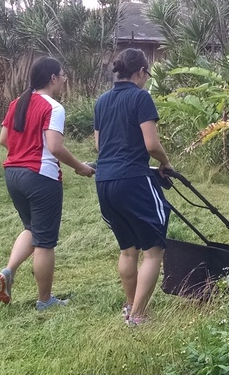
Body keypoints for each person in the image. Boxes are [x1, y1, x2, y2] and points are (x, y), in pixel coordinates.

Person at [0, 56, 95, 311]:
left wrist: (24, 150)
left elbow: (4, 139)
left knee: (32, 228)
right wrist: (80, 167)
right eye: (63, 75)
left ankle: (8, 271)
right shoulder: (54, 107)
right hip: (40, 178)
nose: (64, 80)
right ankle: (45, 300)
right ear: (53, 78)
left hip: (13, 174)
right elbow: (55, 147)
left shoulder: (17, 103)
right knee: (45, 241)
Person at [93, 48, 173, 326]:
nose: (146, 79)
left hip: (104, 181)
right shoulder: (141, 97)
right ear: (140, 72)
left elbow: (98, 146)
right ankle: (138, 316)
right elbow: (151, 145)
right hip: (132, 180)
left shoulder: (102, 101)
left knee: (128, 249)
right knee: (154, 250)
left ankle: (131, 307)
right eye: (146, 75)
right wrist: (166, 162)